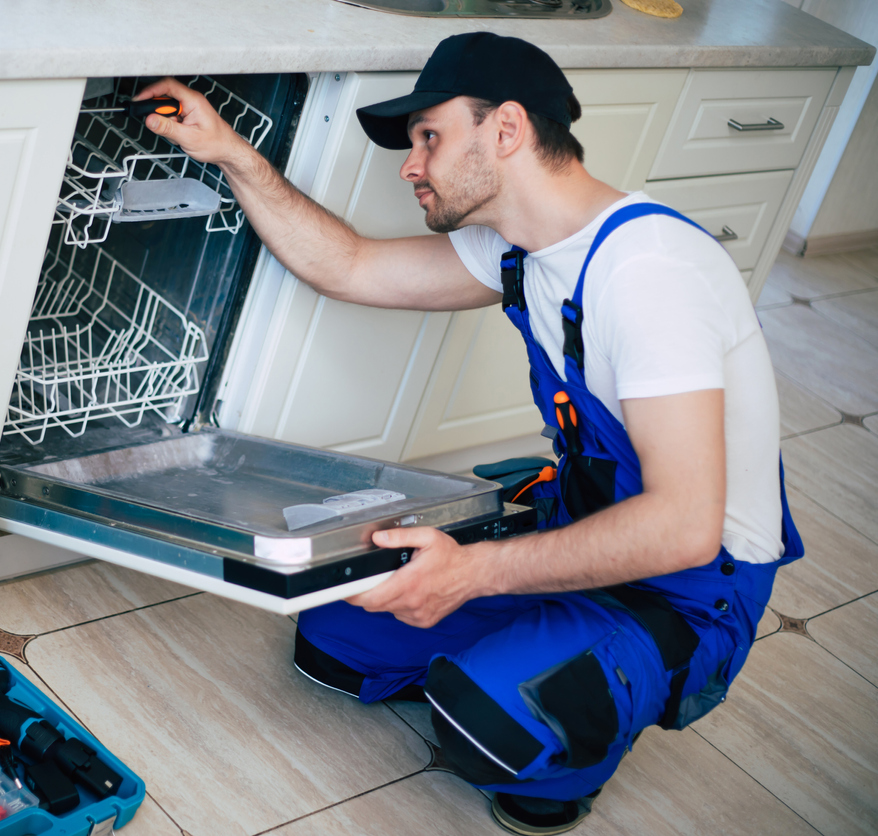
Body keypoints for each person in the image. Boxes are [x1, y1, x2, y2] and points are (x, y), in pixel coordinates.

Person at [136, 32, 803, 835]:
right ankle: (528, 636)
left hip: (688, 588)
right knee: (332, 637)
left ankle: (575, 707)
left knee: (485, 731)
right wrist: (231, 153)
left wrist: (472, 574)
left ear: (508, 130)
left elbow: (684, 527)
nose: (411, 165)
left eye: (429, 137)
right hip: (583, 524)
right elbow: (346, 264)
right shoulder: (521, 250)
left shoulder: (647, 274)